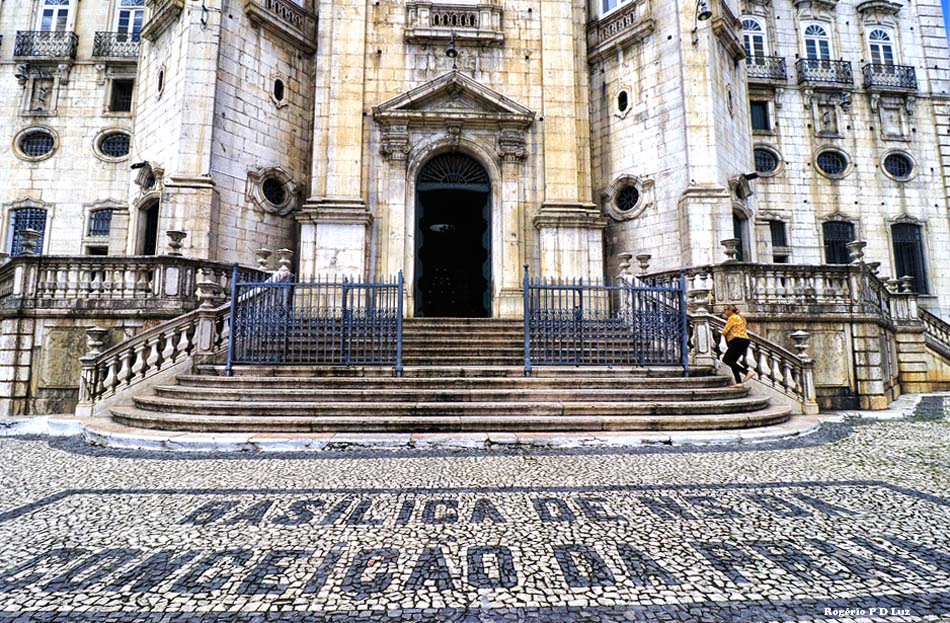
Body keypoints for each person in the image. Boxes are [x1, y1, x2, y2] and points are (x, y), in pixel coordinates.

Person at [721, 304, 755, 388]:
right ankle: (739, 382)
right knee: (732, 361)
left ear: (729, 310)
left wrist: (723, 333)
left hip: (737, 340)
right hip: (744, 340)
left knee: (726, 359)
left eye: (725, 310)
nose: (724, 312)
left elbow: (725, 331)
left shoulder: (732, 317)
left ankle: (747, 372)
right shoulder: (740, 317)